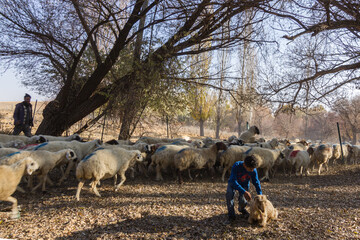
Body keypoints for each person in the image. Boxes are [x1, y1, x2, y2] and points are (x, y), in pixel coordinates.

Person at [226, 154, 262, 222]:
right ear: (245, 165)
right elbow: (233, 181)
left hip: (244, 184)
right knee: (229, 195)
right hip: (233, 183)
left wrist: (260, 194)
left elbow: (256, 182)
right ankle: (231, 215)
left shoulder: (253, 170)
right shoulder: (236, 166)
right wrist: (244, 191)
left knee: (243, 200)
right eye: (250, 169)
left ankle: (241, 209)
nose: (252, 170)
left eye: (253, 169)